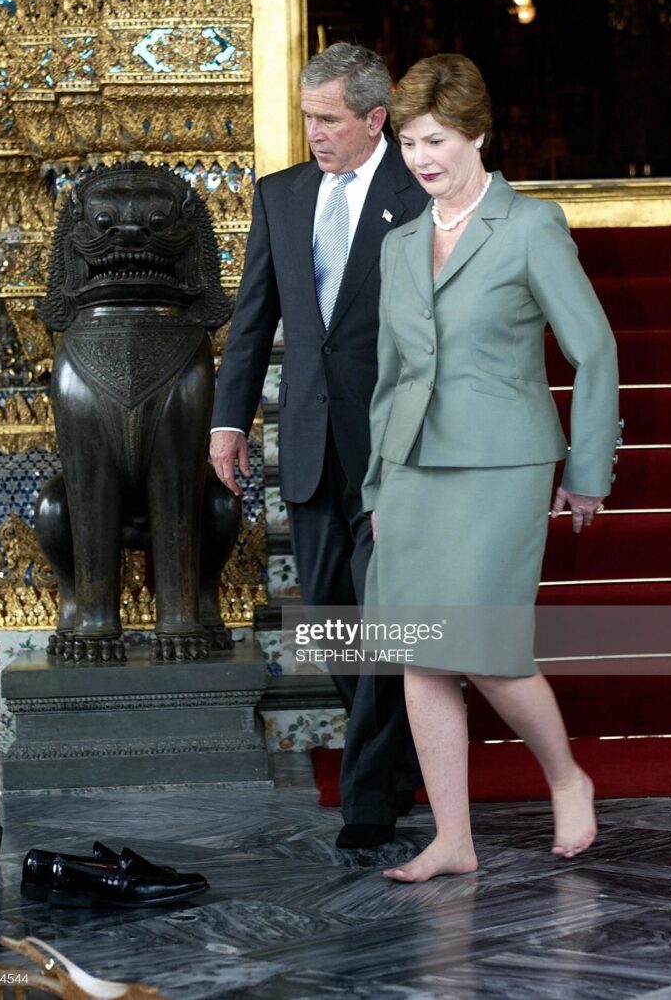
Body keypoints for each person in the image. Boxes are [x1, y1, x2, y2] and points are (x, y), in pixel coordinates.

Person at [361, 54, 620, 882]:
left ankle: (567, 775)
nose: (422, 157)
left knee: (486, 646)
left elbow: (595, 348)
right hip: (411, 473)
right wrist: (376, 483)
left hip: (503, 465)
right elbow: (389, 375)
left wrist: (587, 468)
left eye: (435, 139)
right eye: (407, 142)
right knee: (419, 651)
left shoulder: (531, 226)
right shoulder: (399, 243)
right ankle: (453, 838)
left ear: (476, 133)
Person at [210, 43, 429, 849]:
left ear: (376, 119)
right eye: (306, 117)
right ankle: (401, 753)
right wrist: (227, 421)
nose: (313, 133)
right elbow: (253, 319)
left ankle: (369, 794)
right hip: (306, 440)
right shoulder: (282, 195)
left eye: (328, 119)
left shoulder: (418, 195)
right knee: (336, 618)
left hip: (392, 449)